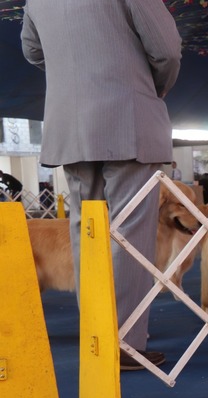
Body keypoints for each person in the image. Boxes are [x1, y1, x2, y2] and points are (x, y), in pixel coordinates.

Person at [21, 0, 181, 371]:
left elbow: (32, 50)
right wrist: (148, 90)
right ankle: (124, 343)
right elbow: (167, 50)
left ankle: (95, 335)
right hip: (128, 117)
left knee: (86, 233)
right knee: (130, 234)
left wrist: (73, 81)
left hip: (69, 125)